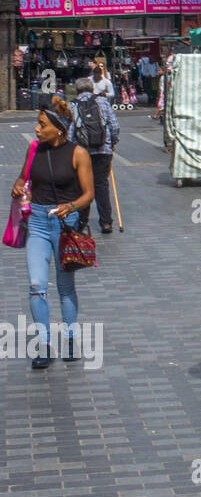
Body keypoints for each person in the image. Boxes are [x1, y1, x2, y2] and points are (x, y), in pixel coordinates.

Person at [12, 98, 95, 367]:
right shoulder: (34, 149)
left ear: (59, 128)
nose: (37, 129)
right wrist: (17, 186)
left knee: (65, 286)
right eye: (38, 124)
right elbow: (22, 178)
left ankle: (70, 337)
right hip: (36, 222)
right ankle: (44, 345)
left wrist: (70, 206)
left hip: (65, 224)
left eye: (42, 124)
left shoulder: (78, 154)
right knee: (37, 286)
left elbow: (89, 195)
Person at [71, 77, 119, 234]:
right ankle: (106, 222)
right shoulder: (103, 102)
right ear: (92, 89)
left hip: (82, 152)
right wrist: (112, 142)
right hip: (103, 150)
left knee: (82, 187)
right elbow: (114, 125)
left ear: (77, 90)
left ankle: (82, 222)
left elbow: (70, 132)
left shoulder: (73, 105)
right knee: (101, 186)